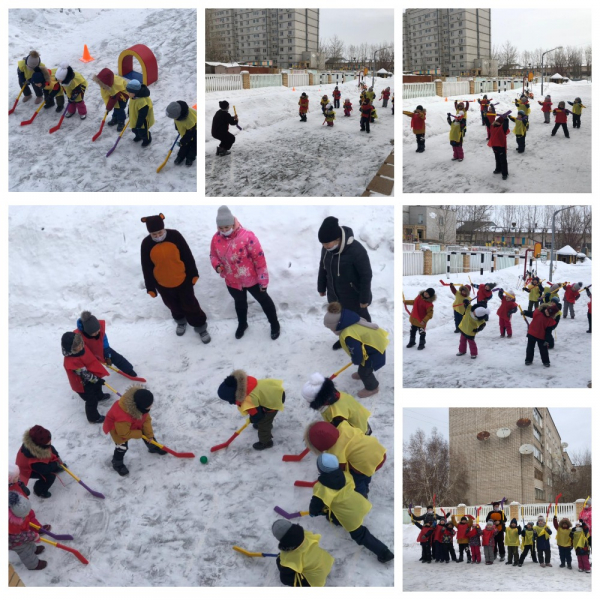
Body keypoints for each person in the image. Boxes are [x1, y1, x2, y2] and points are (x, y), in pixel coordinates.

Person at [308, 453, 394, 563]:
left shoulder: (321, 488)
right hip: (360, 503)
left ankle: (384, 552)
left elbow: (316, 504)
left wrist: (313, 512)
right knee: (335, 513)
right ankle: (335, 519)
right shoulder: (346, 475)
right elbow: (353, 486)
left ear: (320, 470)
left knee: (360, 535)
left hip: (349, 515)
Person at [210, 206, 279, 340]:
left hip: (251, 279)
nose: (224, 231)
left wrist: (263, 280)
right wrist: (217, 266)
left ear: (233, 223)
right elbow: (213, 255)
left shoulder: (247, 237)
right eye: (221, 228)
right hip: (232, 280)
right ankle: (242, 324)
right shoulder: (216, 239)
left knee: (264, 301)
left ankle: (275, 324)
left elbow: (259, 259)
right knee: (240, 303)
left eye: (227, 227)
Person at [140, 213, 210, 343]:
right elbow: (146, 267)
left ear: (164, 228)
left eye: (160, 232)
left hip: (183, 280)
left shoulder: (175, 236)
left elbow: (187, 256)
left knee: (190, 305)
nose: (158, 236)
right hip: (162, 283)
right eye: (154, 234)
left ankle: (200, 327)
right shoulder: (146, 244)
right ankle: (181, 321)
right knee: (173, 305)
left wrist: (193, 274)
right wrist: (150, 287)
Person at [317, 216, 373, 339]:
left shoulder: (356, 250)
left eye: (327, 243)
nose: (324, 246)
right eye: (322, 243)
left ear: (337, 239)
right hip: (334, 294)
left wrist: (364, 299)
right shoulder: (326, 249)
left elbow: (366, 275)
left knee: (360, 318)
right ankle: (346, 338)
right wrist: (321, 286)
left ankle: (368, 338)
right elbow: (323, 266)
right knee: (340, 318)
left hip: (354, 295)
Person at [305, 421, 385, 498]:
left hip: (365, 462)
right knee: (368, 471)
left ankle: (361, 496)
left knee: (357, 480)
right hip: (378, 451)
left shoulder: (335, 454)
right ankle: (366, 484)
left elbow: (341, 470)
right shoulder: (344, 427)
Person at [323, 302, 389, 398]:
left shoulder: (349, 335)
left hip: (373, 351)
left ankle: (372, 387)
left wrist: (356, 360)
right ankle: (362, 373)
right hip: (372, 345)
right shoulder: (351, 320)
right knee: (364, 367)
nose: (331, 330)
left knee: (365, 371)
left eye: (330, 328)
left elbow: (357, 353)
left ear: (337, 325)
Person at [102, 386, 167, 476]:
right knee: (122, 447)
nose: (151, 407)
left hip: (133, 420)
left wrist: (150, 435)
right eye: (149, 406)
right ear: (141, 407)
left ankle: (153, 447)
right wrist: (139, 433)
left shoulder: (140, 406)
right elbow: (124, 433)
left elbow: (146, 420)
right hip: (118, 429)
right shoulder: (122, 418)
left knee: (147, 434)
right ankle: (117, 463)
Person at [217, 369, 285, 450]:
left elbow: (257, 415)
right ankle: (262, 424)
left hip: (273, 400)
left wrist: (255, 419)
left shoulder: (248, 400)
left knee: (263, 422)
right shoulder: (245, 384)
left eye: (229, 400)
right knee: (259, 415)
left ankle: (266, 442)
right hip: (273, 391)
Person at [61, 331, 109, 424]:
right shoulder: (71, 362)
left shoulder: (81, 349)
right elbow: (85, 374)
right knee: (91, 400)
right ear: (70, 349)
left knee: (97, 386)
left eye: (80, 343)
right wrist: (97, 380)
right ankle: (93, 417)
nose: (81, 347)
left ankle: (100, 396)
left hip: (89, 377)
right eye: (77, 346)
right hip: (81, 384)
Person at [301, 372, 372, 434]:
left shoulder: (335, 414)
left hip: (358, 430)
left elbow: (342, 431)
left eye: (308, 400)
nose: (307, 402)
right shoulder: (336, 395)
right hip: (361, 419)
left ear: (317, 400)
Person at [75, 310, 137, 377]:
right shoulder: (79, 337)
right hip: (90, 354)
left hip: (102, 348)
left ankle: (129, 370)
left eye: (98, 330)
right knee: (92, 368)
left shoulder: (100, 331)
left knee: (116, 357)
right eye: (95, 333)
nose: (98, 333)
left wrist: (108, 356)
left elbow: (105, 345)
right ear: (88, 332)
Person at [272, 520, 334, 587]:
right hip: (327, 562)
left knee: (284, 578)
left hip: (317, 580)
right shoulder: (305, 534)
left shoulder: (290, 557)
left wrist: (280, 560)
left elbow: (285, 571)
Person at [15, 426, 64, 499]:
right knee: (50, 476)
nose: (50, 442)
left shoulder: (36, 442)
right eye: (48, 443)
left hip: (38, 463)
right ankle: (40, 490)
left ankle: (56, 467)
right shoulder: (34, 461)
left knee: (52, 458)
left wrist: (58, 459)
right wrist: (55, 465)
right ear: (40, 446)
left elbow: (51, 449)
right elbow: (45, 470)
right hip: (28, 470)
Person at [9, 492, 47, 571]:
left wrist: (30, 535)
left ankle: (34, 549)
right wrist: (31, 536)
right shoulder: (11, 524)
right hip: (15, 542)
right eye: (25, 514)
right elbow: (16, 537)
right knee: (26, 552)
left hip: (23, 534)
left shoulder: (15, 511)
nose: (27, 514)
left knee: (29, 542)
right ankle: (33, 565)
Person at [92, 67, 129, 132]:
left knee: (119, 109)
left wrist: (108, 108)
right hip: (116, 95)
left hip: (123, 96)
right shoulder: (107, 81)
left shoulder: (113, 88)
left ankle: (121, 122)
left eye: (101, 84)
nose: (100, 86)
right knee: (116, 108)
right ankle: (115, 118)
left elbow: (113, 99)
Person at [165, 101, 196, 166]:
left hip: (194, 130)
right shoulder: (178, 113)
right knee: (184, 145)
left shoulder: (189, 120)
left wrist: (184, 141)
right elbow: (177, 122)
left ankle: (190, 158)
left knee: (194, 145)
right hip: (188, 129)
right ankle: (180, 156)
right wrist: (178, 128)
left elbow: (190, 133)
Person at [126, 79, 154, 147]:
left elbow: (143, 114)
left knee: (143, 132)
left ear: (135, 92)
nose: (128, 94)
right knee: (134, 130)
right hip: (135, 118)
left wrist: (139, 124)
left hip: (142, 121)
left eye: (130, 92)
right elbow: (131, 105)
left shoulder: (142, 101)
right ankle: (138, 136)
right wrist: (129, 112)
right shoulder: (132, 97)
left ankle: (147, 139)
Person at [488, 113, 511, 180]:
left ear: (501, 123)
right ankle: (498, 169)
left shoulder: (502, 129)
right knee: (497, 158)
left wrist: (506, 119)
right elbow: (487, 122)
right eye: (496, 121)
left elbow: (506, 126)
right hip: (494, 146)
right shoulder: (492, 127)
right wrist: (485, 114)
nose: (497, 123)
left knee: (503, 160)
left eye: (499, 122)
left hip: (501, 146)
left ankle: (504, 173)